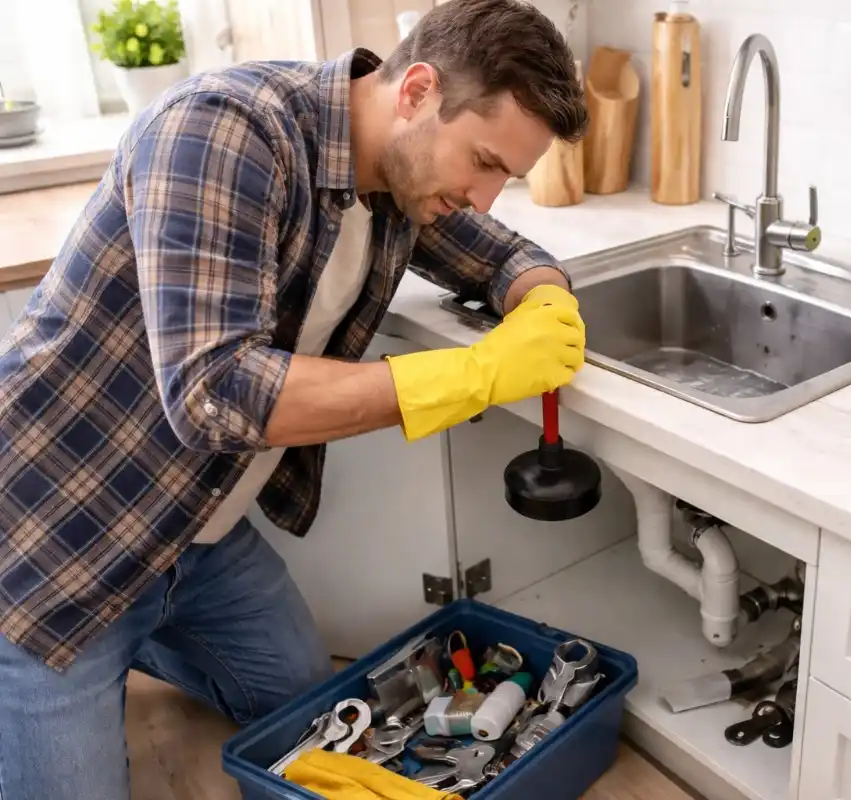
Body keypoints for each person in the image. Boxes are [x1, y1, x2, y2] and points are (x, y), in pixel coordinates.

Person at [0, 0, 588, 796]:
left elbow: (504, 252)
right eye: (483, 163)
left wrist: (547, 300)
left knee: (308, 700)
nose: (483, 198)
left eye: (503, 177)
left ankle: (141, 636)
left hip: (196, 539)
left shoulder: (398, 173)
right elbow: (214, 392)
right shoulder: (224, 131)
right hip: (58, 542)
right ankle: (84, 652)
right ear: (416, 90)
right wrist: (471, 376)